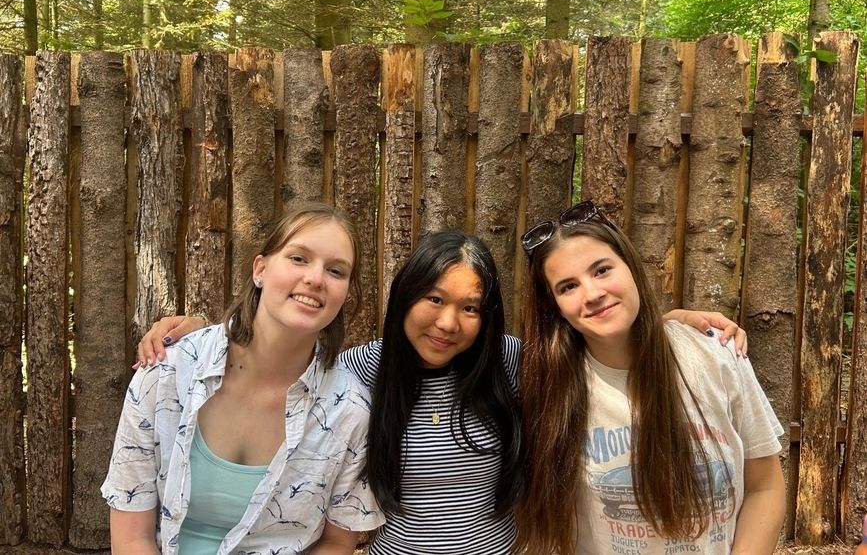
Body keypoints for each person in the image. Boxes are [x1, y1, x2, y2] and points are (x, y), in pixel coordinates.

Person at [137, 229, 747, 554]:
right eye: (433, 299)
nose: (448, 323)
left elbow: (596, 339)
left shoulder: (515, 368)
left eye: (471, 308)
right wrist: (202, 331)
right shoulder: (357, 373)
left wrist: (671, 321)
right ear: (405, 298)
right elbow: (276, 356)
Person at [102, 202, 383, 554]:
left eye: (336, 271)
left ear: (346, 293)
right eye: (298, 258)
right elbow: (131, 537)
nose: (314, 278)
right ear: (260, 269)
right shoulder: (167, 373)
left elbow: (335, 543)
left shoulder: (350, 411)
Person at [516, 200, 786, 555]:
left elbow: (764, 486)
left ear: (630, 267)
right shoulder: (545, 384)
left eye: (601, 270)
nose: (593, 294)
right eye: (568, 287)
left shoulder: (716, 355)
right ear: (554, 306)